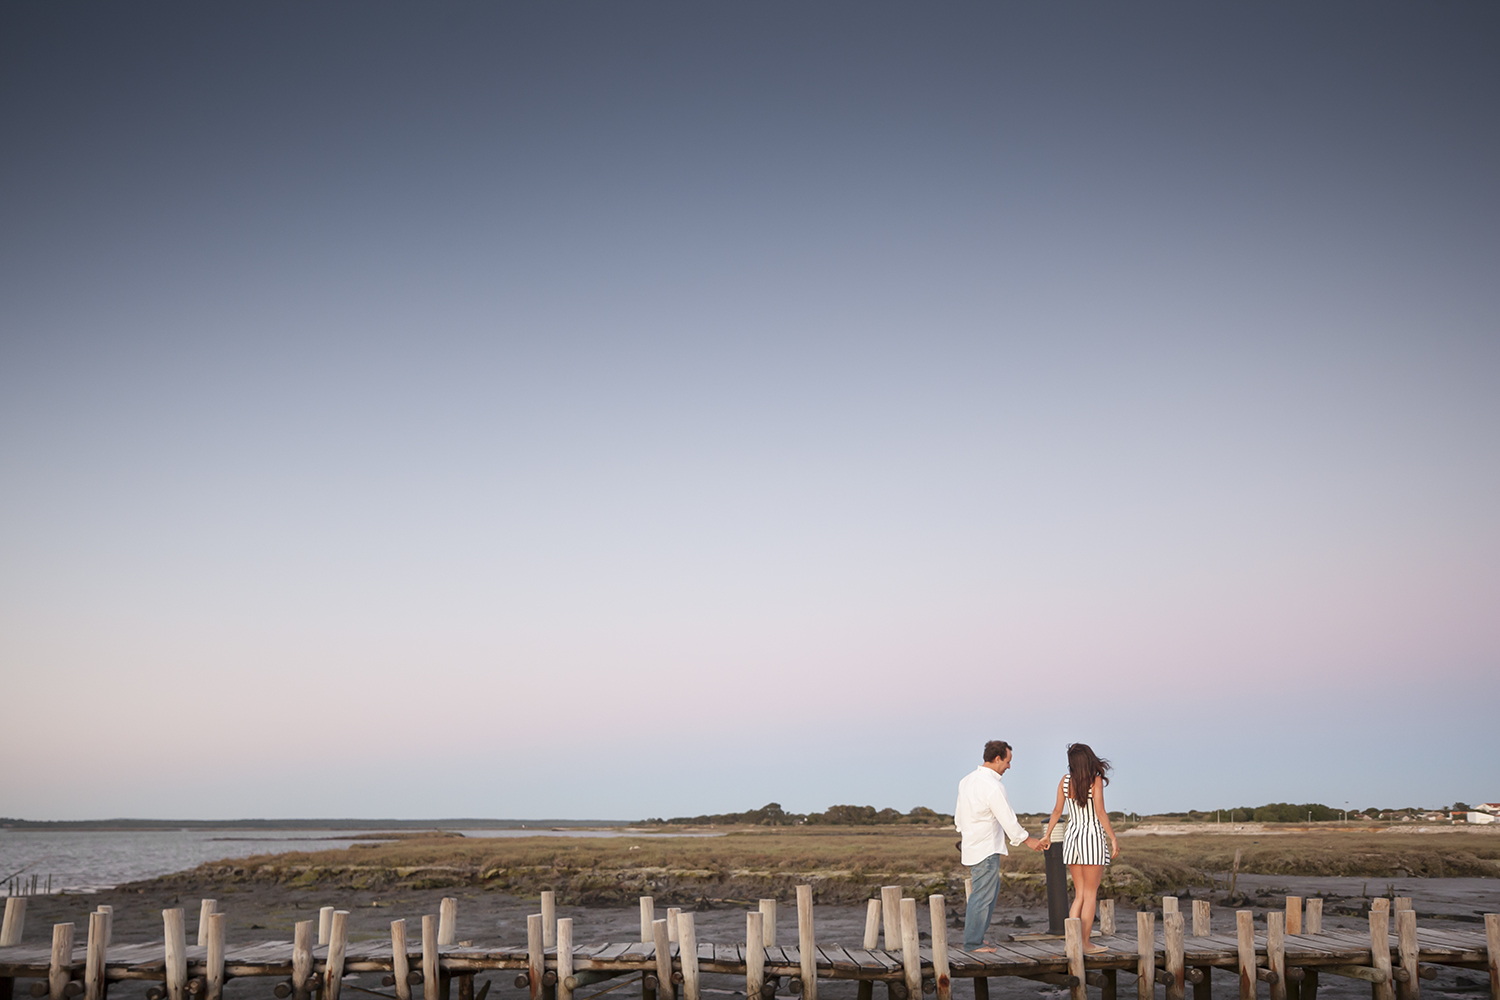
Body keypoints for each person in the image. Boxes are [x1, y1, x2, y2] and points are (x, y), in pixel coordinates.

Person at [955, 740, 1046, 951]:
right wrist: (1027, 840)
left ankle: (976, 937)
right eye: (1007, 761)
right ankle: (973, 943)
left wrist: (966, 834)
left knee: (988, 893)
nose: (1009, 767)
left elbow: (959, 816)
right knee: (982, 896)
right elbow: (1007, 818)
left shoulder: (966, 781)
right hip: (985, 848)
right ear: (997, 759)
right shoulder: (993, 786)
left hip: (973, 846)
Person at [1041, 743, 1121, 953]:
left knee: (1079, 895)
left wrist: (1048, 834)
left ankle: (1072, 943)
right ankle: (1084, 944)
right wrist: (1113, 838)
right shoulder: (1094, 781)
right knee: (1090, 894)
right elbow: (1101, 813)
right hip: (1092, 838)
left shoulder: (1065, 781)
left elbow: (1057, 811)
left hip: (1072, 838)